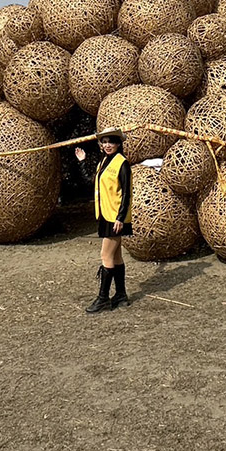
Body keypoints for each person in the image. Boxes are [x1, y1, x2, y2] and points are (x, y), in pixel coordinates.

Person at [75, 128, 132, 313]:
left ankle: (103, 299)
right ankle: (121, 295)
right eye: (104, 142)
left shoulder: (122, 163)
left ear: (118, 144)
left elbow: (127, 193)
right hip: (105, 215)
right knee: (116, 257)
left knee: (105, 256)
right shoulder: (104, 162)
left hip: (116, 218)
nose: (107, 145)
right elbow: (93, 182)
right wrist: (83, 163)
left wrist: (121, 218)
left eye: (112, 142)